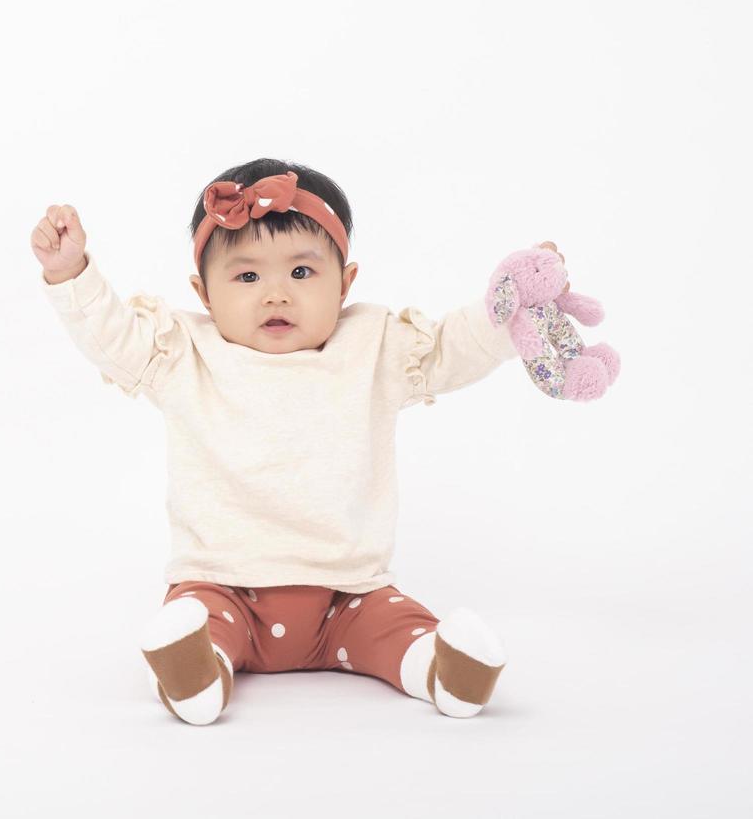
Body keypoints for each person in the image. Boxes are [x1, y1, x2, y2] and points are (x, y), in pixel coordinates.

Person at [32, 158, 569, 724]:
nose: (275, 296)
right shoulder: (183, 353)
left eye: (302, 273)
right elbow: (110, 336)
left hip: (347, 595)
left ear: (345, 284)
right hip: (224, 585)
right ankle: (195, 671)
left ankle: (441, 668)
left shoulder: (373, 347)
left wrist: (509, 307)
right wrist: (73, 275)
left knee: (395, 626)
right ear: (204, 294)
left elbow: (448, 350)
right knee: (198, 617)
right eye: (246, 277)